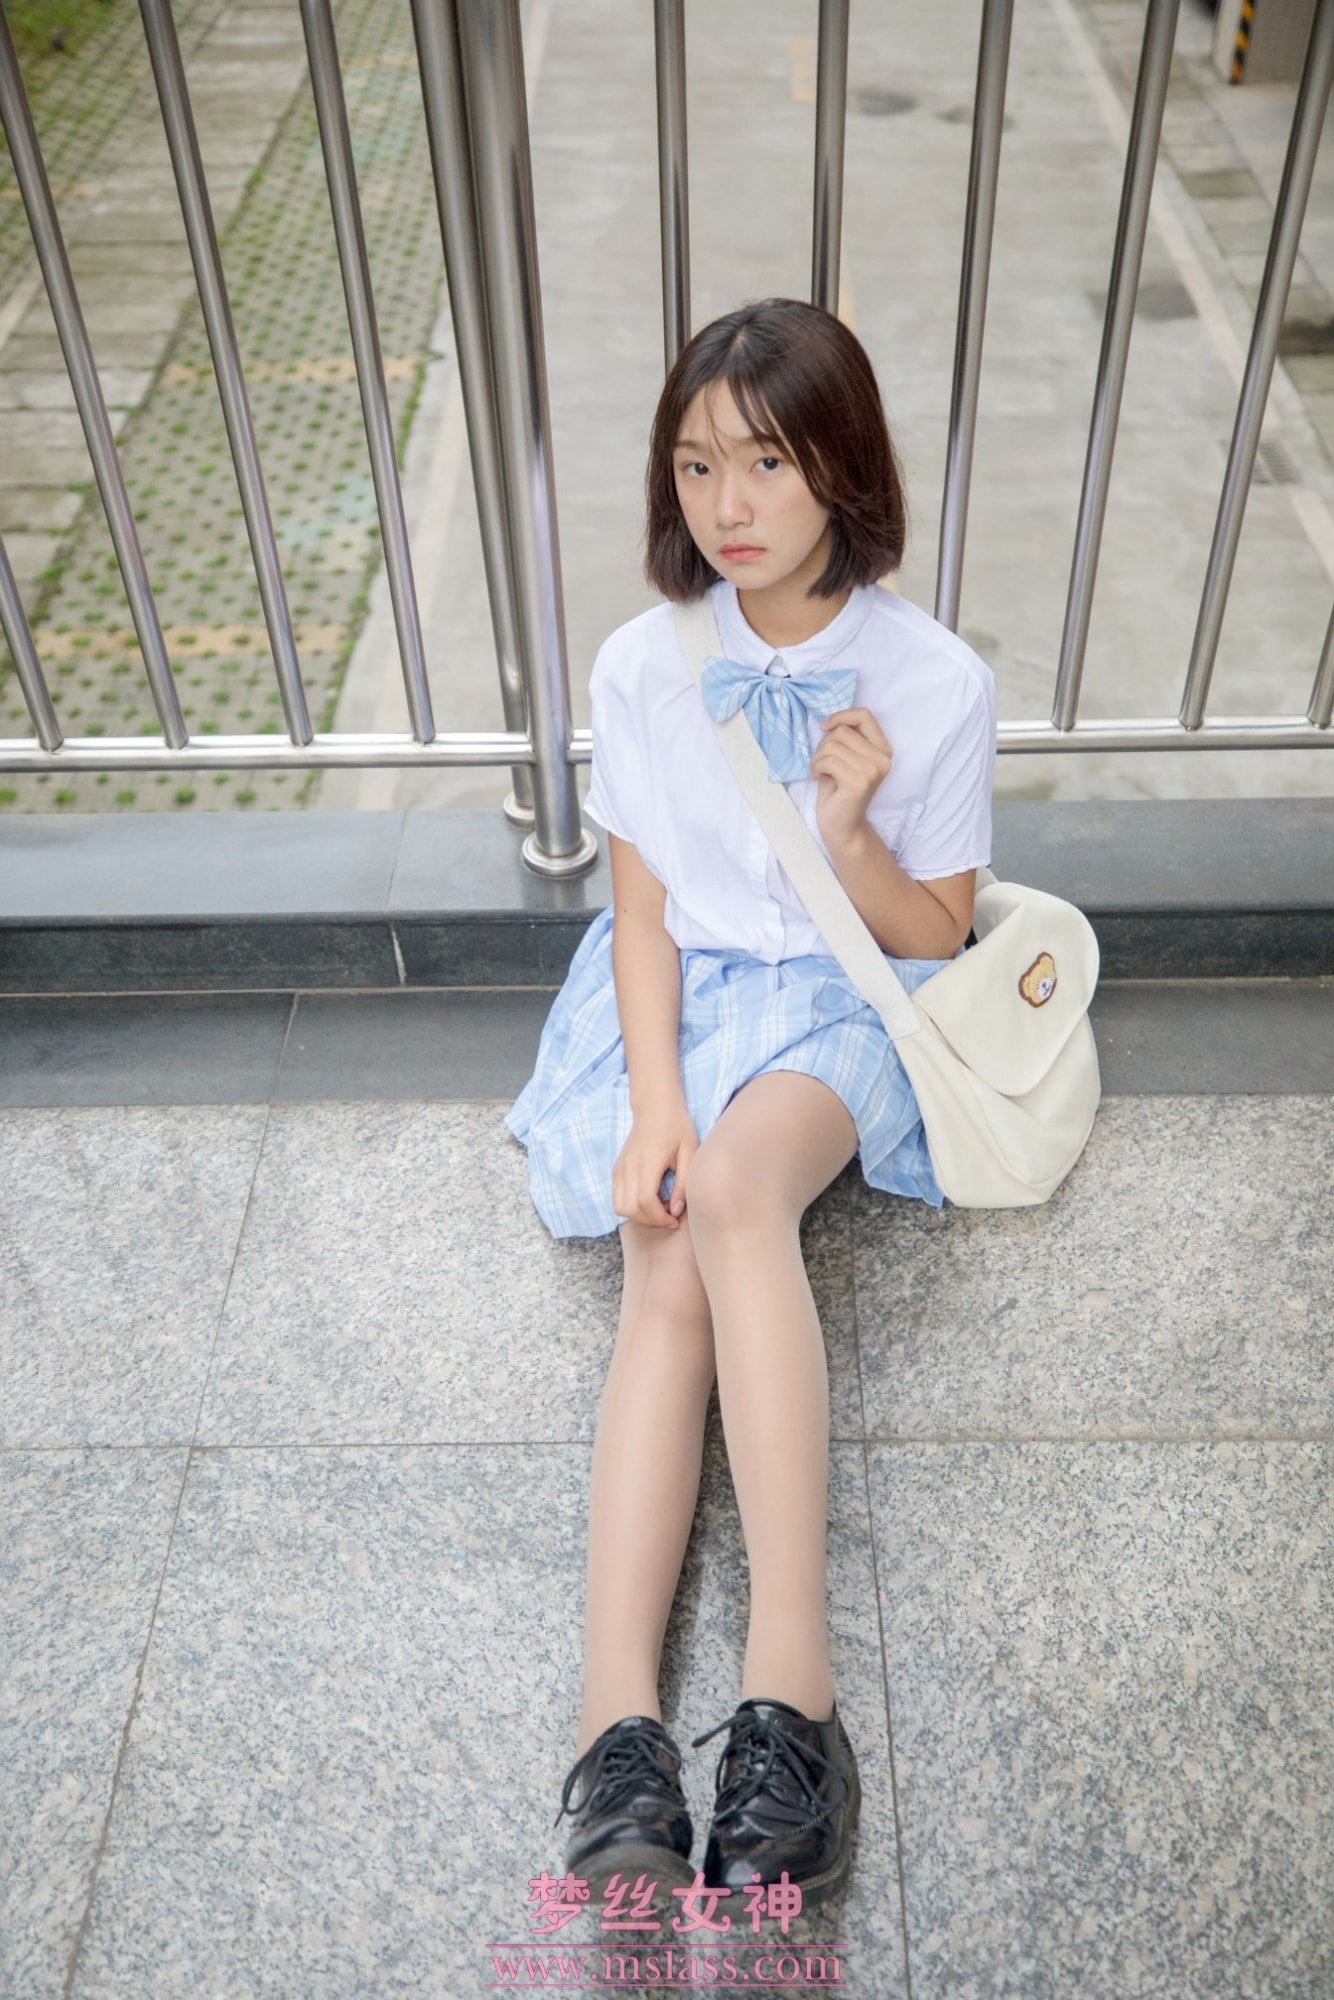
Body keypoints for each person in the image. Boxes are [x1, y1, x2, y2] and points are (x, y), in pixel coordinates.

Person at [505, 297, 997, 1914]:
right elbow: (641, 915)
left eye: (767, 464)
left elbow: (933, 934)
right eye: (696, 464)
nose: (728, 504)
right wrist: (653, 1101)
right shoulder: (643, 663)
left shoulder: (934, 678)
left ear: (840, 468)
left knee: (732, 1194)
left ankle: (794, 1692)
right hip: (681, 994)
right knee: (666, 1240)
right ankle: (620, 1730)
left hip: (844, 993)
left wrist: (850, 831)